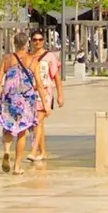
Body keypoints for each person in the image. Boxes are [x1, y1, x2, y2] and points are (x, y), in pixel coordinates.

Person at [0, 32, 42, 174]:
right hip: (26, 99)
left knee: (8, 127)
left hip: (9, 97)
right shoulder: (32, 61)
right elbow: (39, 83)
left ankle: (7, 151)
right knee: (21, 132)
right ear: (27, 44)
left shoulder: (7, 59)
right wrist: (44, 101)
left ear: (14, 43)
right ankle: (17, 166)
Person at [29, 30, 62, 163]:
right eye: (35, 40)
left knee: (39, 121)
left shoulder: (50, 56)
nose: (38, 42)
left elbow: (56, 77)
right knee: (37, 124)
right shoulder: (29, 56)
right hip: (32, 92)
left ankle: (33, 151)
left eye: (40, 39)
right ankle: (42, 152)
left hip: (46, 92)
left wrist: (60, 95)